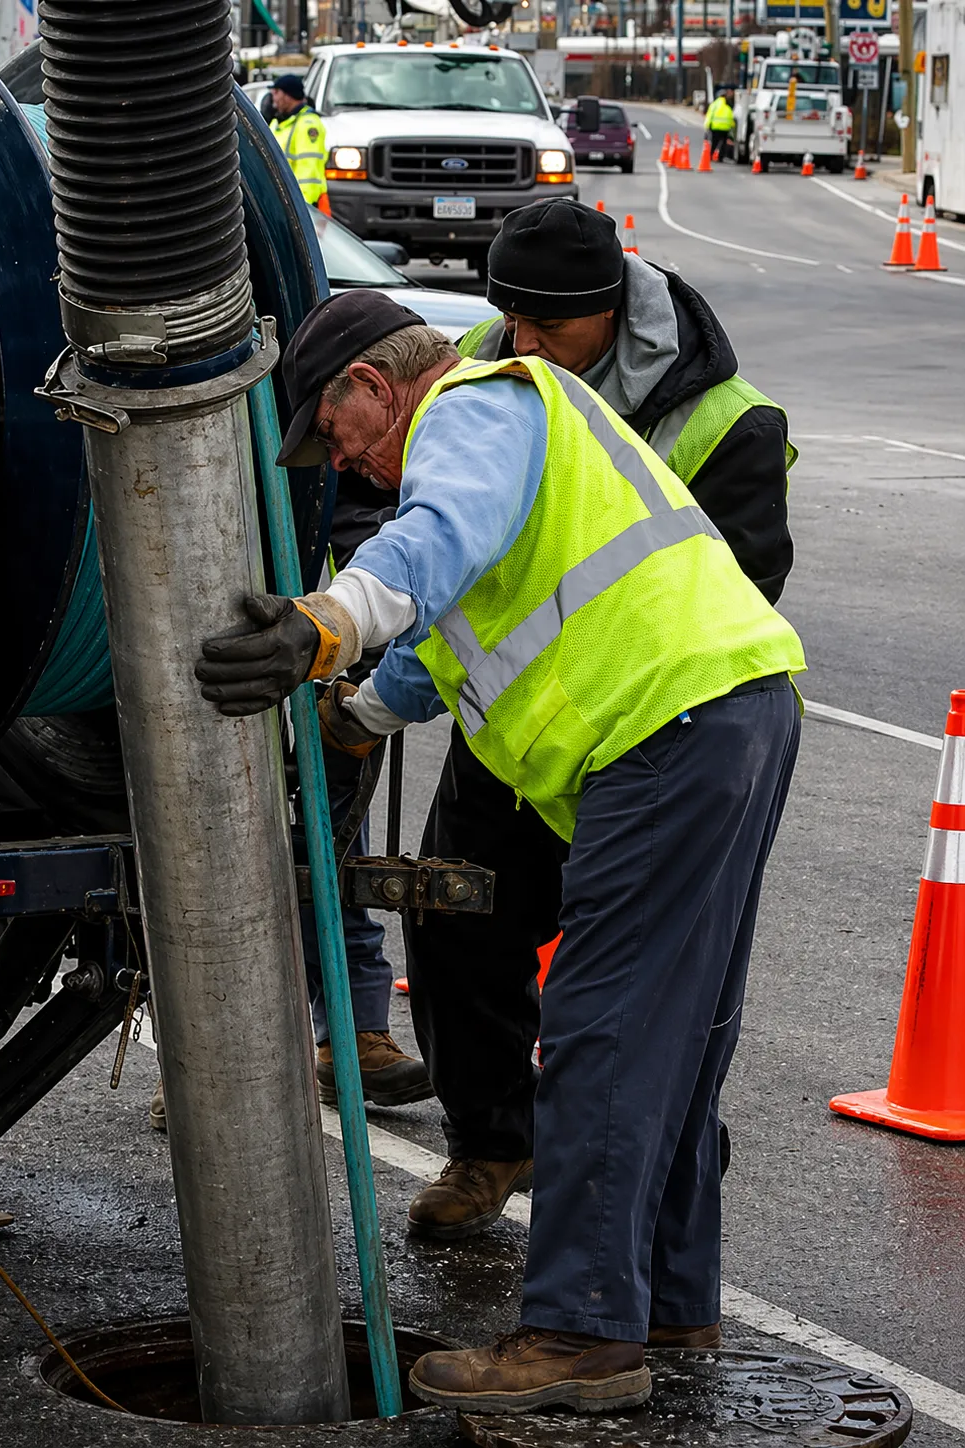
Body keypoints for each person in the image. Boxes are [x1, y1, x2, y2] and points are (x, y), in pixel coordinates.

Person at [194, 289, 804, 1413]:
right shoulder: (530, 428)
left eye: (339, 435)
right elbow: (449, 631)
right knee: (678, 1036)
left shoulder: (474, 407)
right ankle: (668, 1301)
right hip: (731, 708)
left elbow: (436, 541)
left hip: (661, 726)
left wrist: (320, 621)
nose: (351, 465)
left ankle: (578, 1332)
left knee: (603, 1035)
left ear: (376, 387)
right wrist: (359, 712)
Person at [403, 197, 794, 1241]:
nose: (522, 343)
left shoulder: (726, 423)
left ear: (610, 310)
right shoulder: (492, 364)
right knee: (455, 912)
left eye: (548, 326)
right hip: (526, 726)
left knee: (626, 995)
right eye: (509, 319)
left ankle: (663, 1185)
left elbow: (739, 591)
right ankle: (492, 1140)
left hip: (643, 733)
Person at [269, 74, 329, 213]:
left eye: (277, 93)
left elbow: (309, 172)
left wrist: (302, 210)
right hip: (286, 203)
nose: (274, 99)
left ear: (287, 95)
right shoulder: (278, 123)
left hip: (307, 206)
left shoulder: (307, 125)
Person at [704, 87, 735, 161]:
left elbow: (709, 115)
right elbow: (731, 115)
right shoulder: (728, 104)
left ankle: (710, 156)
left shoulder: (714, 104)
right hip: (725, 127)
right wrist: (732, 126)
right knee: (723, 143)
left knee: (715, 142)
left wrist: (707, 126)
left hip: (715, 127)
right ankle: (720, 158)